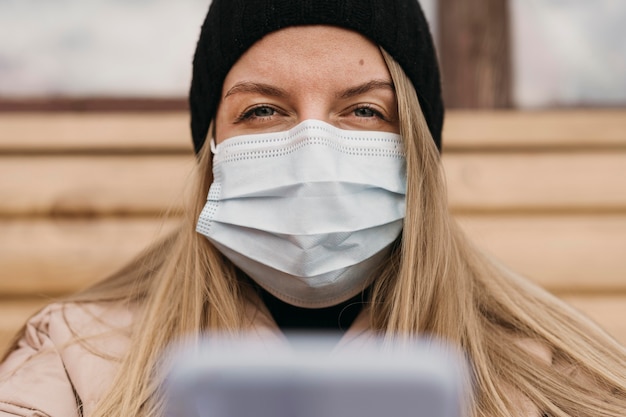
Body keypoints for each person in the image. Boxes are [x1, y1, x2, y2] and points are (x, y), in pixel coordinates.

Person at [1, 0, 625, 416]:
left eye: (363, 110)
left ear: (417, 154)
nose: (312, 148)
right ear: (212, 151)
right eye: (263, 110)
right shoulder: (76, 359)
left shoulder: (551, 375)